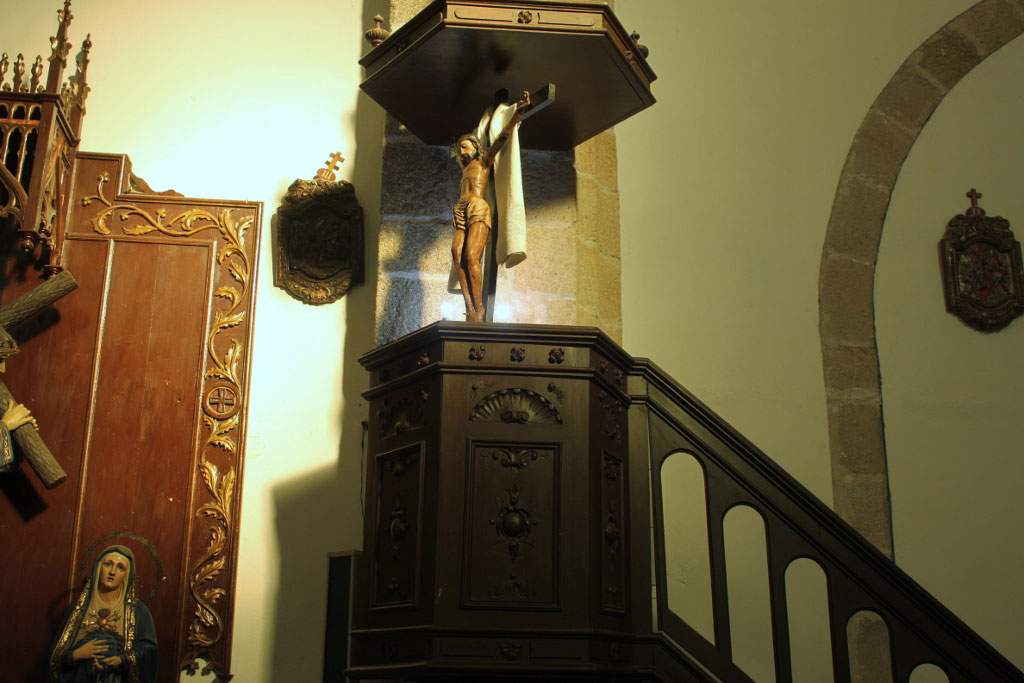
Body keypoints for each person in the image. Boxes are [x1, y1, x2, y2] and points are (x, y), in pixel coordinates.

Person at [451, 90, 531, 322]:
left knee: (471, 256)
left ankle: (480, 308)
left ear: (476, 147)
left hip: (477, 206)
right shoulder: (465, 169)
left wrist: (517, 114)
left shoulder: (484, 162)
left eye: (466, 147)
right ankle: (470, 308)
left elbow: (502, 138)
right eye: (460, 148)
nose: (462, 152)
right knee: (456, 254)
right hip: (461, 208)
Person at [49, 545, 158, 683]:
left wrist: (122, 660)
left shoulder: (137, 611)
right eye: (108, 564)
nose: (112, 572)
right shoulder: (79, 609)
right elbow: (55, 658)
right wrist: (77, 654)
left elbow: (149, 652)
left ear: (127, 575)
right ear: (98, 568)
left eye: (120, 567)